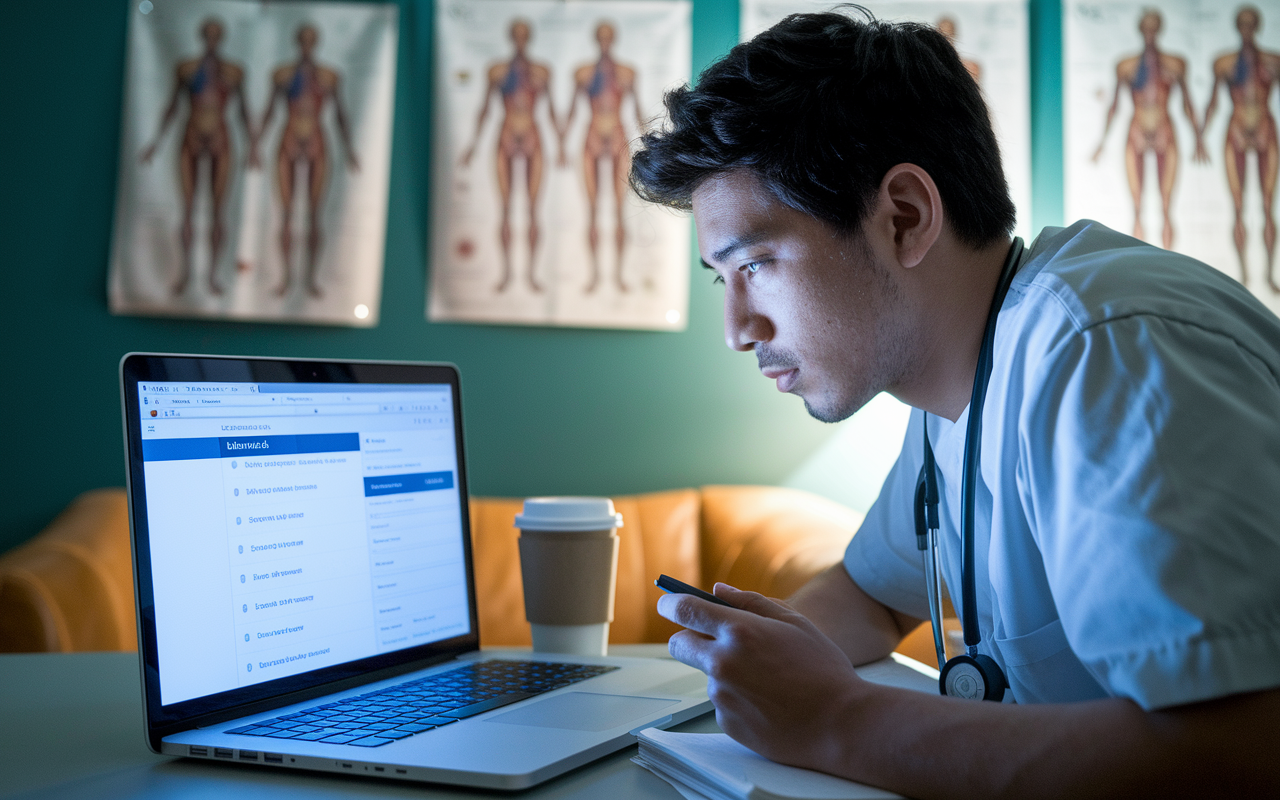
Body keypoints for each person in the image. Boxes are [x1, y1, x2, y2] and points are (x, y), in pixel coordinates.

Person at [631, 12, 1280, 798]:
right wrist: (756, 666)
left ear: (904, 216)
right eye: (721, 280)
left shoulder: (1103, 352)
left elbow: (1241, 749)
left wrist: (834, 718)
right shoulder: (955, 385)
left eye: (758, 263)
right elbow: (868, 595)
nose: (738, 330)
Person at [139, 18, 253, 296]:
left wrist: (254, 146)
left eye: (216, 35)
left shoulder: (233, 72)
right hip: (190, 136)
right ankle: (186, 274)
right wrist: (155, 142)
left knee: (218, 212)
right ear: (202, 37)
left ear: (221, 38)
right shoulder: (186, 69)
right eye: (208, 35)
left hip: (221, 139)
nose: (212, 40)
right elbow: (172, 105)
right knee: (187, 210)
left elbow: (244, 111)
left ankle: (212, 275)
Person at [254, 23, 360, 299]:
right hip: (288, 138)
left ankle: (311, 278)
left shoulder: (328, 76)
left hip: (317, 141)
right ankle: (286, 278)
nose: (306, 45)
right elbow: (267, 110)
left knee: (315, 215)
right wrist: (255, 145)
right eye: (302, 40)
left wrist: (349, 149)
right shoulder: (282, 75)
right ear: (296, 42)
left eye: (311, 40)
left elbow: (340, 114)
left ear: (317, 43)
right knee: (287, 213)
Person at [1092, 9, 1206, 250]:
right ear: (1141, 30)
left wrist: (1198, 137)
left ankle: (1167, 266)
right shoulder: (1126, 66)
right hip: (1137, 131)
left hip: (1165, 129)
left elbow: (1187, 101)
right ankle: (1141, 269)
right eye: (1146, 27)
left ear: (1160, 29)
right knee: (1137, 208)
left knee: (1166, 207)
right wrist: (1101, 142)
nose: (1150, 33)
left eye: (1154, 27)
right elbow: (1114, 105)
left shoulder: (1175, 64)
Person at [460, 20, 559, 294]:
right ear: (510, 38)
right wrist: (472, 145)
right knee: (503, 210)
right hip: (504, 135)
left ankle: (530, 275)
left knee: (532, 210)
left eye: (524, 36)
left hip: (533, 136)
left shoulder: (541, 72)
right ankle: (506, 273)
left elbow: (551, 108)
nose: (520, 41)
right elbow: (484, 108)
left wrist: (561, 144)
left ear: (529, 38)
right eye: (516, 36)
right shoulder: (497, 71)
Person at [559, 22, 645, 293]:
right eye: (601, 38)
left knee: (619, 212)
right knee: (593, 211)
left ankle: (618, 276)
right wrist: (561, 144)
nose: (605, 42)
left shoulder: (627, 73)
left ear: (614, 40)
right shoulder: (583, 73)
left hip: (619, 137)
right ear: (596, 40)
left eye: (609, 38)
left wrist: (650, 142)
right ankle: (595, 275)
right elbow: (572, 110)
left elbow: (638, 109)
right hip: (592, 137)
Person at [1203, 5, 1280, 291]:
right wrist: (1200, 135)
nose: (1247, 29)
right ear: (1238, 27)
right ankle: (1244, 275)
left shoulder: (1273, 61)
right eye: (1242, 24)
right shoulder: (1224, 63)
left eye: (1251, 23)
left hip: (1264, 128)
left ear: (1257, 26)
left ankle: (1270, 274)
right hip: (1235, 128)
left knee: (1267, 205)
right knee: (1238, 207)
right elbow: (1213, 100)